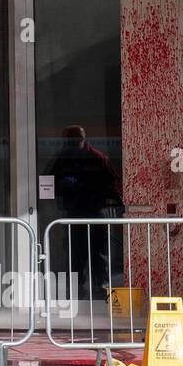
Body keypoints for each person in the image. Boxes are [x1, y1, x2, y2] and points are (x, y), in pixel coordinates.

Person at [45, 124, 124, 298]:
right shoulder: (63, 159)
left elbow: (115, 185)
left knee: (98, 256)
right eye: (70, 141)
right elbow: (48, 182)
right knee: (76, 256)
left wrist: (111, 197)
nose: (73, 144)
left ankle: (103, 293)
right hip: (74, 214)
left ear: (82, 140)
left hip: (94, 212)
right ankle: (76, 293)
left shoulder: (96, 158)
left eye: (75, 140)